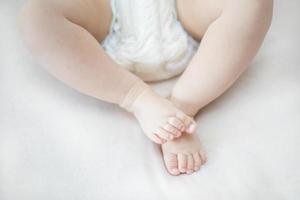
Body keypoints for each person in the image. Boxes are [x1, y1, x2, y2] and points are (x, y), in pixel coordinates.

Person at [18, 0, 273, 176]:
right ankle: (135, 97)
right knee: (36, 17)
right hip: (105, 12)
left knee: (251, 3)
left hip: (183, 11)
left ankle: (183, 107)